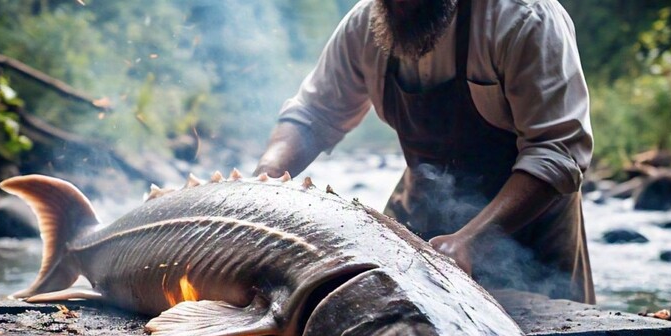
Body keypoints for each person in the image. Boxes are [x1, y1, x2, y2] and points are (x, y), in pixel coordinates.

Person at [254, 0, 595, 304]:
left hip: (529, 226)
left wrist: (471, 241)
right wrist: (263, 180)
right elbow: (314, 116)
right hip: (416, 220)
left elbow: (557, 149)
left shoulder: (523, 18)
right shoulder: (366, 24)